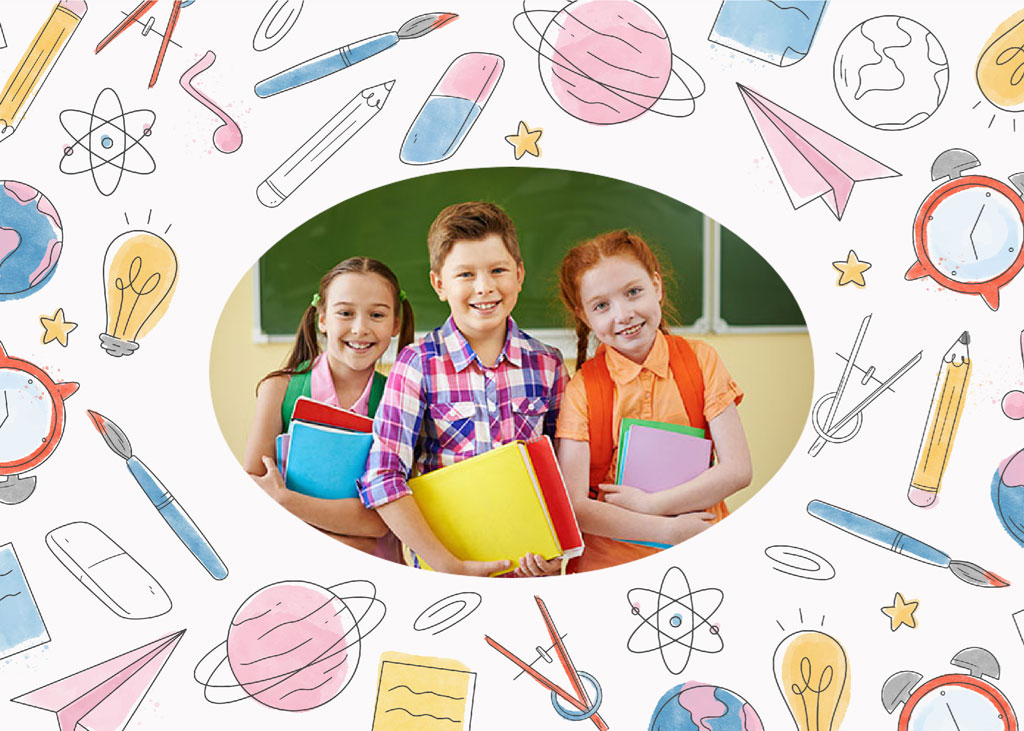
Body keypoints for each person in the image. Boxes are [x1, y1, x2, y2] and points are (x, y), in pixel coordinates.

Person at [359, 201, 568, 577]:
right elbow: (382, 478)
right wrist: (447, 565)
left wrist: (559, 554)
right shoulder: (417, 364)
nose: (485, 287)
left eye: (498, 270)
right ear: (439, 284)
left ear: (519, 274)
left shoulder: (548, 364)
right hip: (445, 573)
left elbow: (563, 475)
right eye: (466, 274)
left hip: (528, 569)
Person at [555, 230, 752, 571]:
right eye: (601, 306)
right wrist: (666, 529)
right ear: (585, 316)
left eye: (633, 292)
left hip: (699, 546)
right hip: (608, 566)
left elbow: (737, 470)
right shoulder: (582, 389)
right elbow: (575, 506)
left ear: (657, 287)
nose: (623, 314)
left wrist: (651, 505)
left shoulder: (701, 361)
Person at [244, 256, 414, 560]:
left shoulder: (401, 398)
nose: (360, 328)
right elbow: (257, 496)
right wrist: (350, 528)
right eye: (345, 313)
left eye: (377, 315)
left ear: (395, 325)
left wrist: (286, 500)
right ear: (322, 319)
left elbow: (379, 522)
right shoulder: (279, 391)